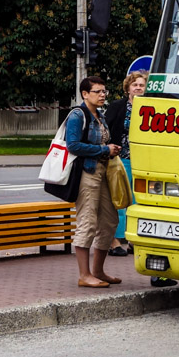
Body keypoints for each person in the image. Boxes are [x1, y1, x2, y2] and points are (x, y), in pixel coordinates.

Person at [66, 76, 123, 289]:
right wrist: (103, 150)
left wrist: (110, 149)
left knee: (109, 220)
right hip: (86, 173)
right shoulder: (77, 115)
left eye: (104, 91)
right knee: (87, 221)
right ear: (85, 94)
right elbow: (73, 145)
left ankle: (98, 270)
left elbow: (103, 140)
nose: (102, 95)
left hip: (103, 171)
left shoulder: (100, 115)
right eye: (97, 91)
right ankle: (84, 274)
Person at [104, 70, 146, 256]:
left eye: (141, 85)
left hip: (143, 161)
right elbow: (105, 128)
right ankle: (115, 240)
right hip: (121, 159)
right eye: (135, 85)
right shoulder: (118, 106)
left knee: (138, 202)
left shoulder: (150, 107)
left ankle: (132, 239)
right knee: (120, 198)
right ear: (128, 88)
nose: (138, 88)